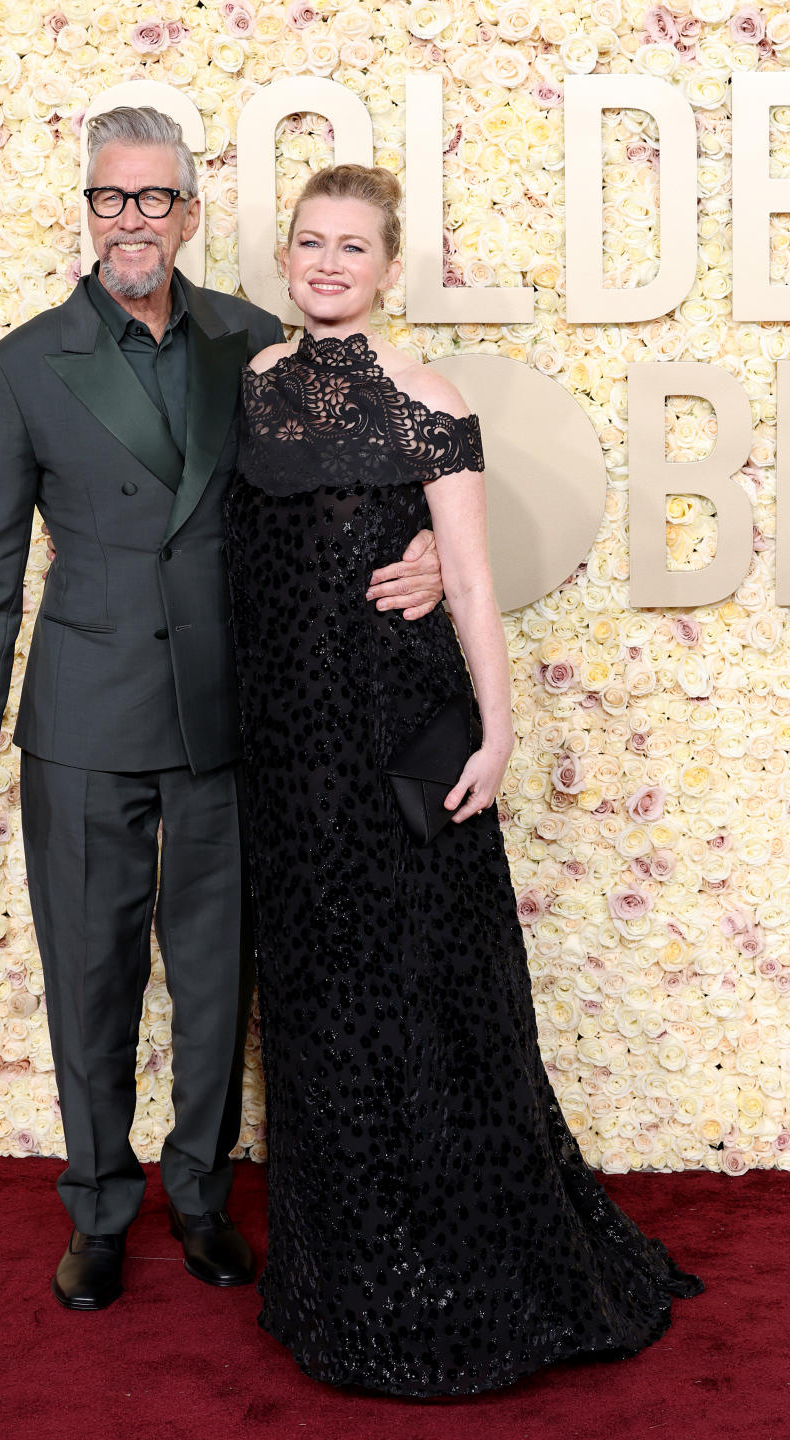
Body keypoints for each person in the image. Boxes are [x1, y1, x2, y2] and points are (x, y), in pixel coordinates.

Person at [0, 109, 444, 1312]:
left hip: (227, 717)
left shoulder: (255, 343)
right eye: (112, 199)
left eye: (155, 199)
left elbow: (351, 482)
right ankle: (100, 1209)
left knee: (216, 981)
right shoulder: (22, 364)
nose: (133, 221)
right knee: (90, 976)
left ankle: (202, 1201)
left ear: (190, 213)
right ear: (89, 209)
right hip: (84, 721)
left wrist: (422, 546)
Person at [225, 163, 703, 1396]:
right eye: (311, 243)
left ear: (389, 270)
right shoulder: (251, 389)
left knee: (432, 995)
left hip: (397, 737)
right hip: (286, 759)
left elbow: (477, 581)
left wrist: (497, 733)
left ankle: (472, 1273)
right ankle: (349, 1278)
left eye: (354, 248)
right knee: (320, 1014)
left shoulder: (425, 399)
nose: (330, 264)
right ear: (288, 256)